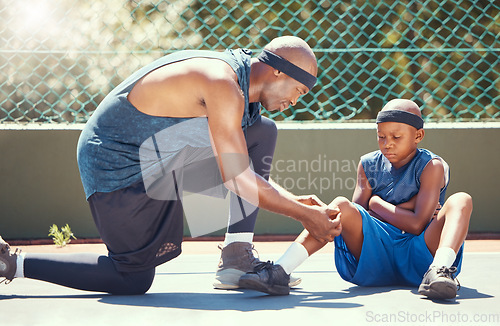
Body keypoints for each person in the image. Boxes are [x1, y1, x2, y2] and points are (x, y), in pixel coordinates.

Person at [0, 36, 342, 294]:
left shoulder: (237, 83)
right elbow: (239, 179)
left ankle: (237, 257)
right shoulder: (223, 84)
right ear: (277, 70)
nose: (295, 100)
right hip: (115, 167)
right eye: (296, 89)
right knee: (132, 277)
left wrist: (297, 203)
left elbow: (239, 166)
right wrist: (303, 215)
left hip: (157, 159)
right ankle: (11, 264)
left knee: (260, 131)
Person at [239, 99, 473, 300]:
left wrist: (376, 203)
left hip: (420, 256)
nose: (387, 143)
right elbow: (355, 217)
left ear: (418, 136)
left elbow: (416, 225)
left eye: (396, 137)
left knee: (462, 199)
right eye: (381, 136)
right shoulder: (369, 164)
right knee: (340, 206)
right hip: (375, 256)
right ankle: (280, 271)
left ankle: (440, 270)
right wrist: (401, 207)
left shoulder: (431, 166)